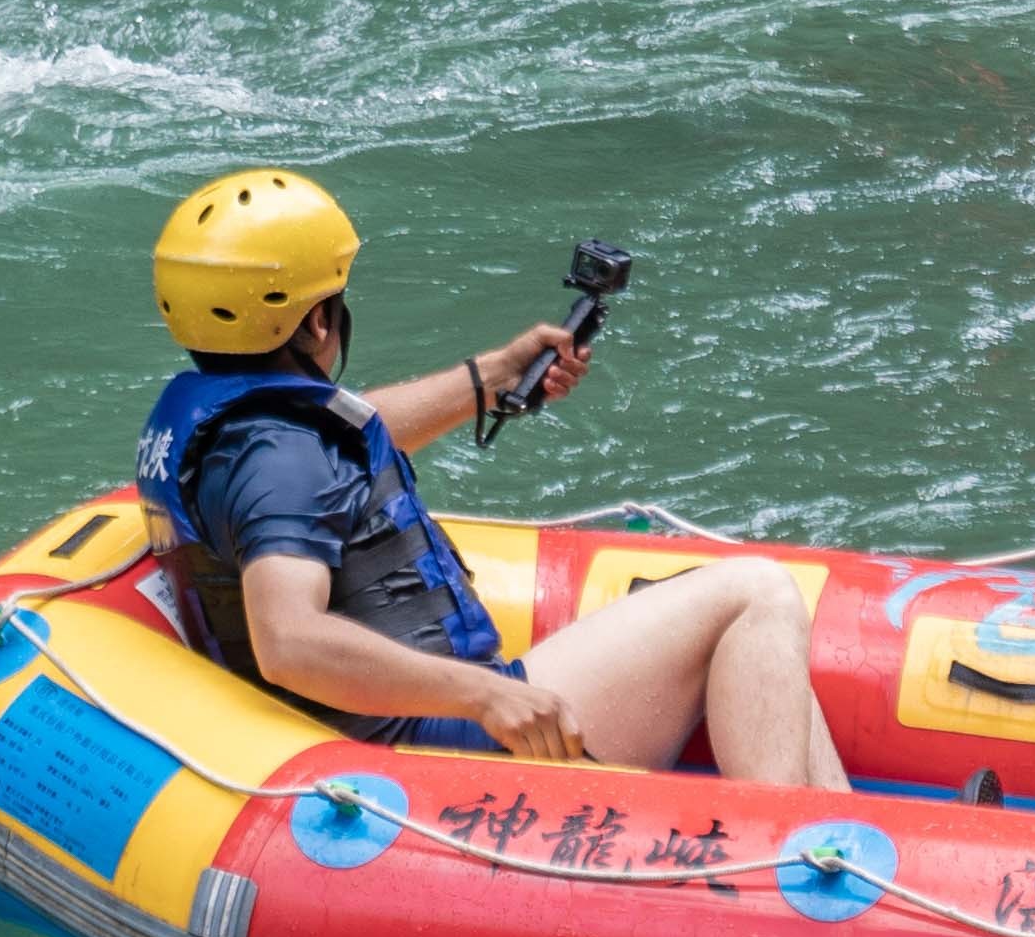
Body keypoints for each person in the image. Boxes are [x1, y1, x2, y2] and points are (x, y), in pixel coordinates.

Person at [133, 168, 844, 787]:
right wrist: (480, 695)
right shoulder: (279, 457)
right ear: (320, 319)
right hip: (434, 755)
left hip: (416, 723)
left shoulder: (232, 423)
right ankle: (784, 865)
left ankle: (844, 848)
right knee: (760, 593)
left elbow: (343, 432)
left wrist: (498, 373)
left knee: (765, 645)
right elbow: (288, 641)